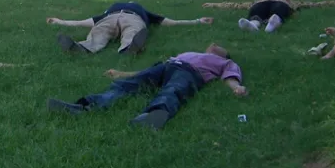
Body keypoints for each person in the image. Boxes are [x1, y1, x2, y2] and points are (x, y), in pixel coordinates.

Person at [47, 43, 247, 130]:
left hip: (189, 73)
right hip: (167, 65)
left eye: (217, 47)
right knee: (128, 85)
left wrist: (236, 87)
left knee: (174, 89)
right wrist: (122, 73)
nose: (213, 45)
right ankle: (85, 106)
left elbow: (230, 76)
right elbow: (143, 73)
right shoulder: (190, 53)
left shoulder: (224, 62)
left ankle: (154, 115)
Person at [47, 1, 213, 55]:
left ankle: (129, 47)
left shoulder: (141, 9)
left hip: (134, 18)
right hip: (110, 18)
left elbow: (169, 22)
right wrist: (60, 22)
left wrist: (197, 21)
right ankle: (82, 47)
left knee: (133, 31)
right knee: (98, 31)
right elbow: (87, 21)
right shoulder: (111, 8)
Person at [201, 0, 335, 34]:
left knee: (278, 10)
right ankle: (253, 25)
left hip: (282, 4)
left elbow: (314, 4)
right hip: (261, 4)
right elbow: (236, 5)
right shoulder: (259, 0)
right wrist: (215, 4)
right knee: (256, 10)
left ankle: (272, 23)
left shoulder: (290, 1)